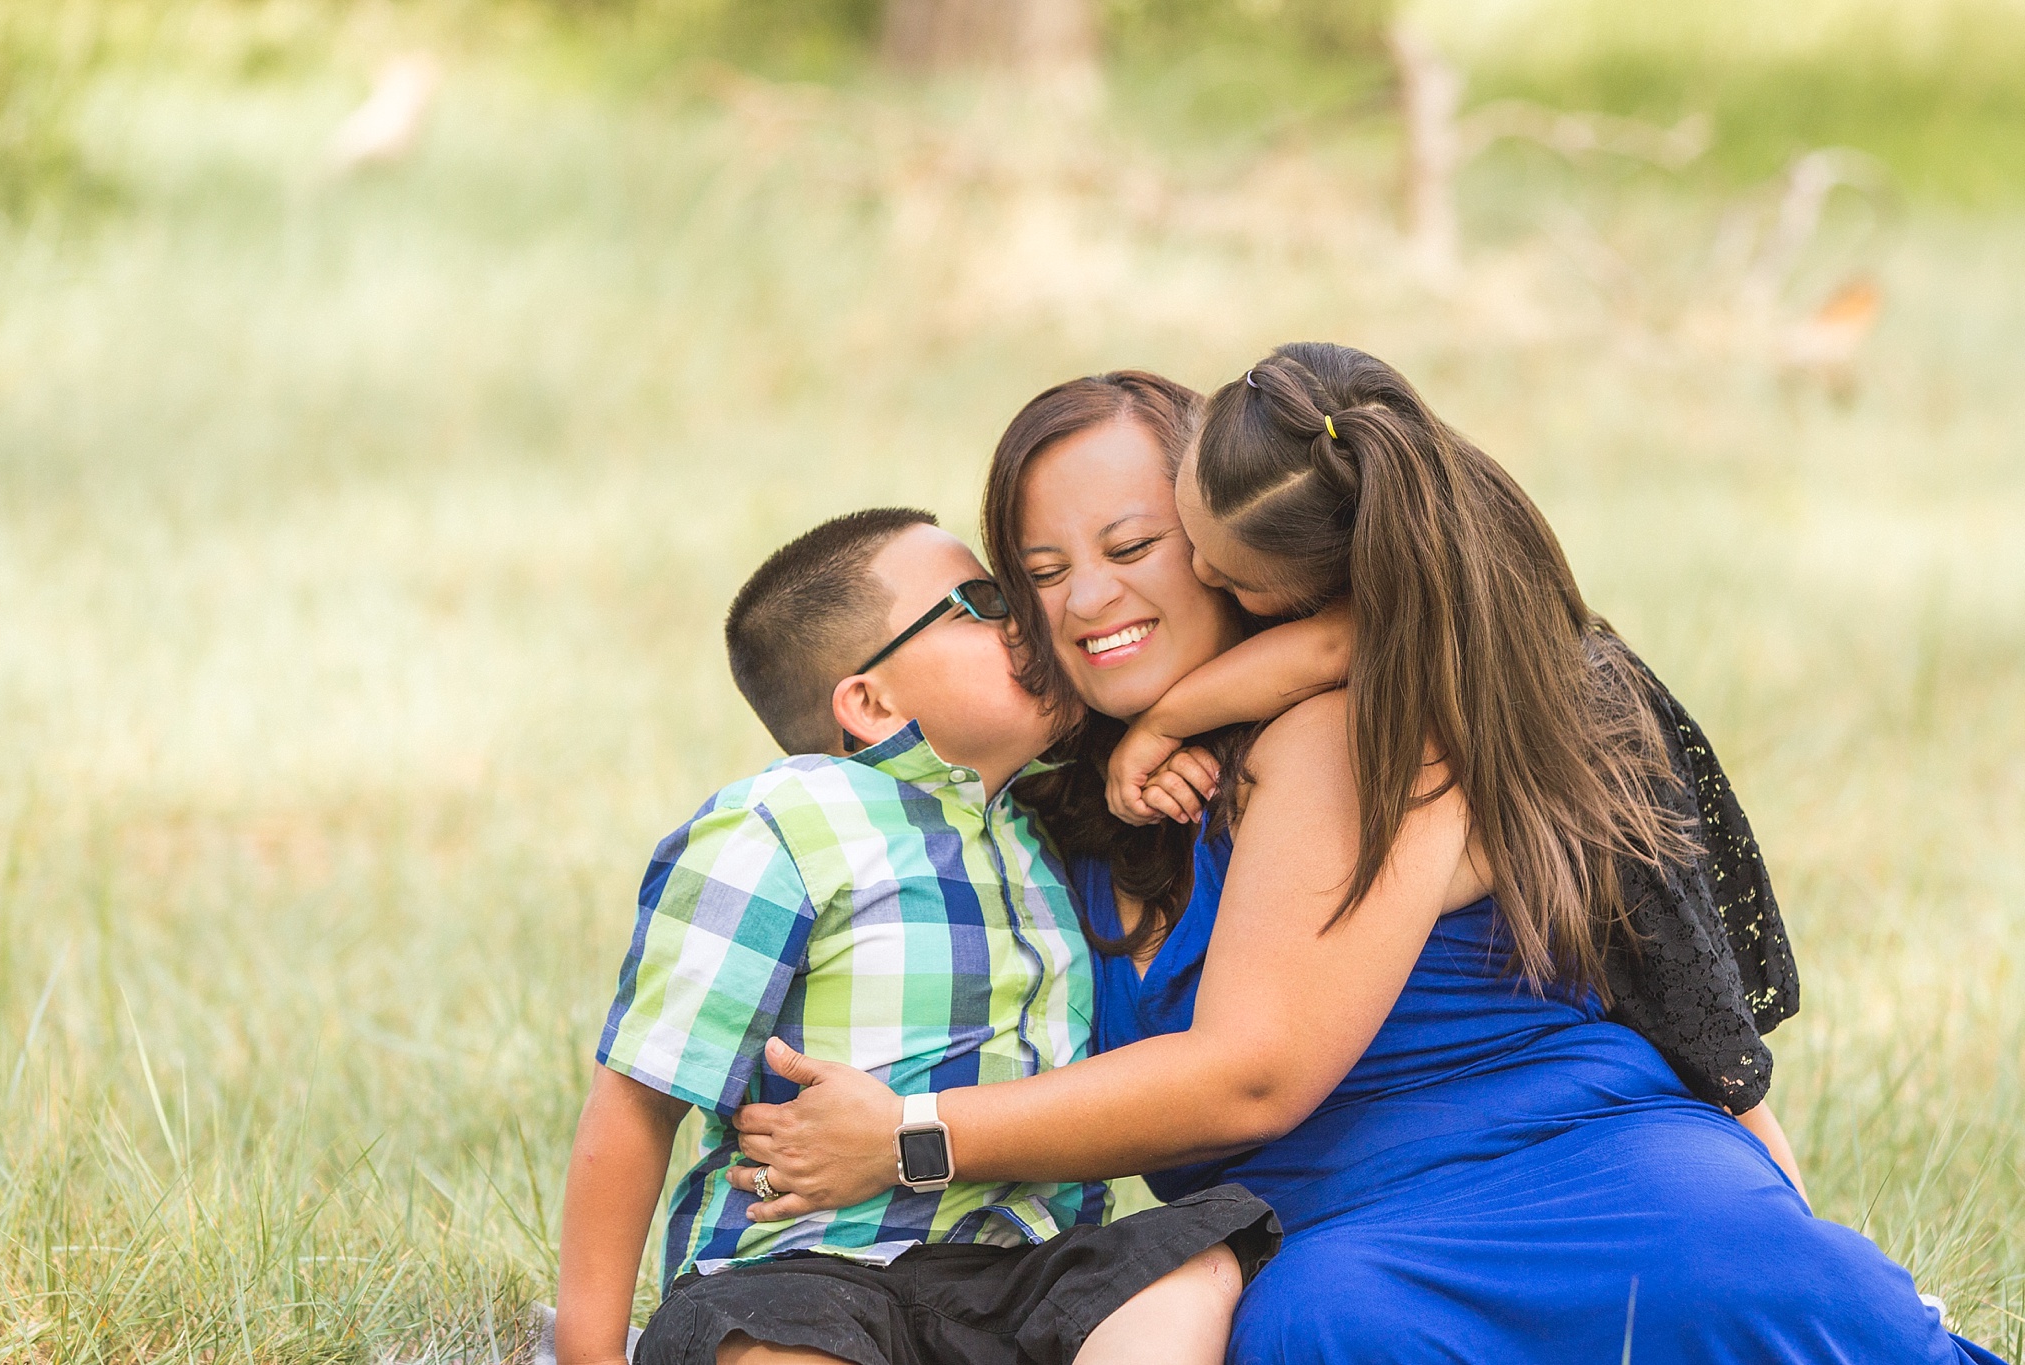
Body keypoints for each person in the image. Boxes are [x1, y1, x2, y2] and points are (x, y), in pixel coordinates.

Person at [713, 356, 2008, 1364]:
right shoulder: (1053, 813)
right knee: (1321, 1330)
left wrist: (916, 1139)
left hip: (1575, 1170)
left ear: (1230, 546)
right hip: (1334, 1247)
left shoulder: (1360, 722)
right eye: (1040, 571)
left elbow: (1256, 1076)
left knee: (1695, 1279)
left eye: (1131, 546)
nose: (1089, 599)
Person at [553, 507, 1278, 1365]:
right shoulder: (783, 821)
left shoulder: (1038, 826)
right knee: (768, 1338)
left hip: (1020, 1276)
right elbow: (639, 1101)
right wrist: (587, 1354)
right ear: (868, 699)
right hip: (810, 1267)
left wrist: (1155, 751)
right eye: (982, 601)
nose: (1030, 619)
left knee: (1192, 1256)